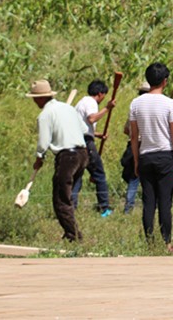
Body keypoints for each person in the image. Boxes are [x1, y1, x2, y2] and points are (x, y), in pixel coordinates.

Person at [129, 63, 173, 252]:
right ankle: (167, 242)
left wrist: (136, 160)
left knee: (149, 202)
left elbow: (134, 136)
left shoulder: (136, 103)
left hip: (145, 156)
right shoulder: (170, 104)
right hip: (165, 156)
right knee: (165, 203)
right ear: (165, 81)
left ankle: (150, 242)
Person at [27, 79, 88, 242]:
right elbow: (84, 129)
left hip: (68, 157)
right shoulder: (68, 108)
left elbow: (43, 142)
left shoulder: (45, 115)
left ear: (40, 98)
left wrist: (39, 157)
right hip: (82, 154)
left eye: (34, 98)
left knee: (60, 199)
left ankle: (73, 236)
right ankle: (70, 232)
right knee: (67, 195)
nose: (34, 101)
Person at [72, 79, 116, 217]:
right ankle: (104, 208)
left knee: (77, 175)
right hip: (86, 143)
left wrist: (97, 134)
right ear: (100, 94)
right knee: (99, 174)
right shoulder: (91, 102)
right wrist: (107, 108)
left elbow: (83, 126)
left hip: (75, 141)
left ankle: (71, 207)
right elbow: (92, 119)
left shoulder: (80, 103)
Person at [120, 80, 150, 214]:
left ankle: (128, 208)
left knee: (134, 177)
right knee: (147, 179)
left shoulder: (135, 107)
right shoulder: (154, 107)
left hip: (134, 145)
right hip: (147, 145)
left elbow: (126, 130)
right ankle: (149, 206)